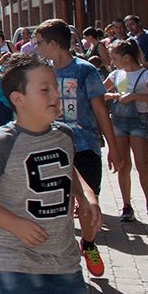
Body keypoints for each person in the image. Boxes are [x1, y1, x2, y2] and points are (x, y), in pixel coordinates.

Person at [0, 53, 101, 294]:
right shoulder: (2, 143)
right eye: (45, 89)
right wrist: (15, 225)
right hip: (16, 262)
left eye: (55, 88)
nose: (55, 95)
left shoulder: (64, 134)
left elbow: (67, 167)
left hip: (64, 259)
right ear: (18, 99)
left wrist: (87, 197)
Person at [32, 18, 119, 278]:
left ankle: (88, 244)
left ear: (54, 44)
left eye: (40, 43)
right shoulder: (41, 72)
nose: (36, 48)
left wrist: (113, 147)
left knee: (87, 203)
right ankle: (64, 254)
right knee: (60, 205)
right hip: (53, 149)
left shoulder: (85, 71)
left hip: (85, 147)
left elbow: (100, 110)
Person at [103, 39, 148, 222]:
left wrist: (134, 96)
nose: (112, 61)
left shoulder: (145, 74)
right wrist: (113, 95)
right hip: (118, 121)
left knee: (143, 165)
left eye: (114, 57)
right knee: (123, 165)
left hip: (139, 121)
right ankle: (126, 205)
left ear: (126, 57)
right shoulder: (116, 74)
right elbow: (100, 93)